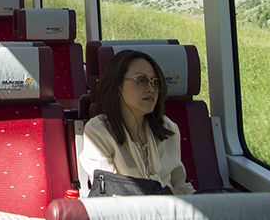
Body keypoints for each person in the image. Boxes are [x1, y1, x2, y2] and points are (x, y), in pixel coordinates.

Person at [79, 49, 195, 195]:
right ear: (117, 85)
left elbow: (180, 185)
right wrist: (164, 195)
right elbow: (109, 191)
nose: (151, 89)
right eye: (141, 81)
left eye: (156, 83)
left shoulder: (168, 128)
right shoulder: (98, 131)